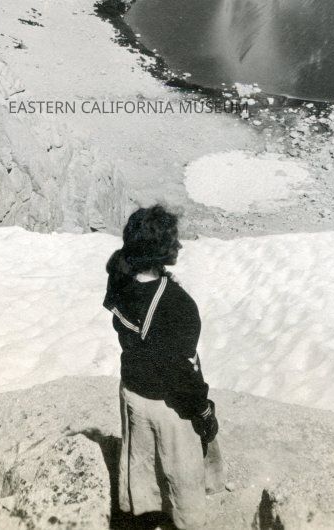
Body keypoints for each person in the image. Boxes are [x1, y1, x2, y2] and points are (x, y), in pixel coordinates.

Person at [103, 204, 223, 530]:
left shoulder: (118, 276)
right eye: (172, 242)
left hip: (132, 389)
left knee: (143, 464)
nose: (179, 245)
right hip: (167, 404)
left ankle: (146, 515)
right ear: (158, 252)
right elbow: (182, 375)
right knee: (181, 475)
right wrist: (203, 411)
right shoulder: (178, 306)